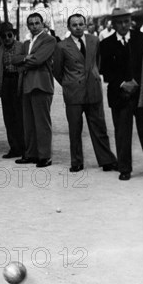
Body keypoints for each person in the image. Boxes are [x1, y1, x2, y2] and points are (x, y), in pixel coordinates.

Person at [53, 14, 118, 173]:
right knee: (75, 129)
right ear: (69, 27)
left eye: (81, 24)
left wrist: (94, 76)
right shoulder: (61, 46)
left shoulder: (94, 40)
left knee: (99, 127)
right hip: (74, 92)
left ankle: (107, 160)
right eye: (74, 25)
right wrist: (69, 83)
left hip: (93, 89)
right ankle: (76, 162)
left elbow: (98, 61)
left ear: (86, 25)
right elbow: (57, 71)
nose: (78, 27)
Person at [100, 8, 143, 180]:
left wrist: (136, 81)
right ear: (113, 24)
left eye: (126, 21)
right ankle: (125, 168)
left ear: (131, 21)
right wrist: (122, 83)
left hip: (141, 93)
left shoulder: (142, 38)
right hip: (119, 95)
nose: (123, 25)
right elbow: (105, 71)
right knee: (122, 132)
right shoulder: (105, 44)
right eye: (119, 22)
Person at [12, 13, 56, 168]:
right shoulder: (25, 43)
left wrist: (23, 61)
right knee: (28, 123)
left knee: (42, 122)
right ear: (27, 26)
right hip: (26, 85)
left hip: (41, 85)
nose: (34, 26)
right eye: (31, 23)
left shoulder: (49, 40)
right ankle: (31, 154)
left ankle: (44, 156)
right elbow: (14, 59)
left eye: (37, 23)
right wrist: (25, 58)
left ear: (43, 24)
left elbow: (39, 59)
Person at [0, 22, 25, 158]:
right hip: (6, 82)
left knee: (20, 116)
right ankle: (14, 147)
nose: (7, 38)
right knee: (8, 117)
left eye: (9, 35)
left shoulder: (22, 46)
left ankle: (24, 147)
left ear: (14, 35)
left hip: (18, 82)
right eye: (4, 36)